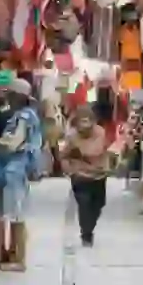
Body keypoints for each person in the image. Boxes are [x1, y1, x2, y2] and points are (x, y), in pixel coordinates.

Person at [0, 78, 43, 272]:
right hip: (2, 168)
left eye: (11, 94)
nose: (7, 97)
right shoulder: (16, 116)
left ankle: (18, 258)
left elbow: (13, 145)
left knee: (15, 213)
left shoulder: (25, 117)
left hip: (15, 170)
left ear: (18, 97)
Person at [62, 105, 110, 246]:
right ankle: (86, 233)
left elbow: (102, 149)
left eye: (88, 122)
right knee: (84, 204)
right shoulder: (71, 136)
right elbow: (64, 155)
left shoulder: (100, 133)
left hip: (99, 175)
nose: (85, 126)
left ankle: (89, 227)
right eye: (81, 122)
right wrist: (70, 171)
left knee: (99, 204)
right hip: (80, 176)